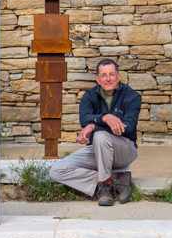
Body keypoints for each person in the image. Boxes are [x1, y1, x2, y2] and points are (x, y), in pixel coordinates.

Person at [49, 58, 142, 206]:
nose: (108, 78)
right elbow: (85, 119)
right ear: (98, 79)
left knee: (99, 136)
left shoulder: (132, 96)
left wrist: (94, 126)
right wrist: (105, 117)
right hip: (98, 149)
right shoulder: (89, 96)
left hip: (125, 149)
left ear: (118, 76)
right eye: (104, 75)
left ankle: (104, 188)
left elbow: (128, 128)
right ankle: (116, 180)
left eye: (112, 74)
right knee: (57, 171)